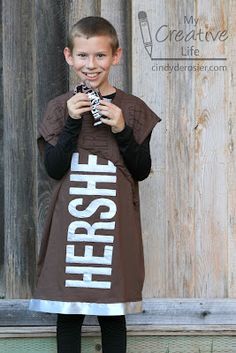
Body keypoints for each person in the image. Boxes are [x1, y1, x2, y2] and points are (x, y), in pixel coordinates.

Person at [29, 16, 161, 353]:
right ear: (69, 56)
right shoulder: (60, 109)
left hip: (111, 224)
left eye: (100, 56)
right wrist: (73, 123)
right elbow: (54, 169)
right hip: (74, 226)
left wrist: (123, 131)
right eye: (83, 56)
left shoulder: (131, 109)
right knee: (68, 312)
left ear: (115, 56)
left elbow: (141, 170)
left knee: (113, 311)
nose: (92, 64)